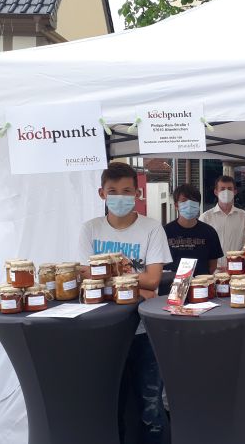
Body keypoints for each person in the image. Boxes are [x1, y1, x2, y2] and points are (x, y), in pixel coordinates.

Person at [78, 162, 172, 443]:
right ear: (101, 193)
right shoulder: (90, 229)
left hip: (144, 333)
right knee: (111, 408)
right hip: (105, 334)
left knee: (151, 410)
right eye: (113, 191)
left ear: (137, 194)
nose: (120, 196)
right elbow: (86, 279)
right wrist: (134, 280)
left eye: (127, 191)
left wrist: (108, 274)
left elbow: (154, 280)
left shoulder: (152, 229)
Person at [164, 184, 224, 276]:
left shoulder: (209, 232)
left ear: (198, 205)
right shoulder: (164, 232)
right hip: (170, 286)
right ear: (176, 205)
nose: (189, 204)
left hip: (201, 286)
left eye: (193, 201)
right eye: (184, 200)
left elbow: (212, 266)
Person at [199, 175, 245, 269]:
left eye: (229, 188)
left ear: (235, 192)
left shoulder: (243, 216)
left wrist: (234, 263)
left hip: (237, 269)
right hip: (213, 270)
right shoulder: (206, 217)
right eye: (222, 189)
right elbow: (202, 246)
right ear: (216, 192)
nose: (226, 192)